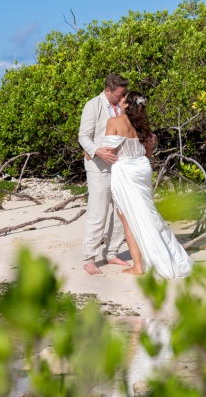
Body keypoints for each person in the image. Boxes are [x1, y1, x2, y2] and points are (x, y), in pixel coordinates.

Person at [103, 91, 193, 279]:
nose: (119, 99)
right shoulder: (143, 126)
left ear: (126, 105)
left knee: (128, 217)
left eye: (123, 98)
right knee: (147, 213)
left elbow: (109, 152)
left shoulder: (114, 122)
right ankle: (159, 256)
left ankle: (138, 266)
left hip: (126, 170)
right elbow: (148, 154)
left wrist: (91, 152)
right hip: (142, 168)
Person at [78, 74, 132, 275]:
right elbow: (83, 135)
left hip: (122, 166)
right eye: (119, 94)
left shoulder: (124, 104)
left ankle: (111, 252)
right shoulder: (93, 105)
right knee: (98, 212)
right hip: (98, 166)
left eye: (124, 94)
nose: (122, 98)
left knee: (121, 211)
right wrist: (97, 150)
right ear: (108, 91)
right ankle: (89, 258)